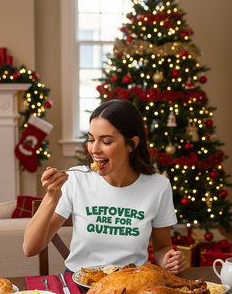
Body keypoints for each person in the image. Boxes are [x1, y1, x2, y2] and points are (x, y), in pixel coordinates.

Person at [23, 99, 186, 274]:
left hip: (131, 283)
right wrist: (51, 197)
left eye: (106, 141)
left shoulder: (158, 186)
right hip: (81, 283)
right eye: (91, 139)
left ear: (132, 144)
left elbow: (162, 246)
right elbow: (30, 249)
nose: (94, 149)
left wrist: (168, 259)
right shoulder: (75, 180)